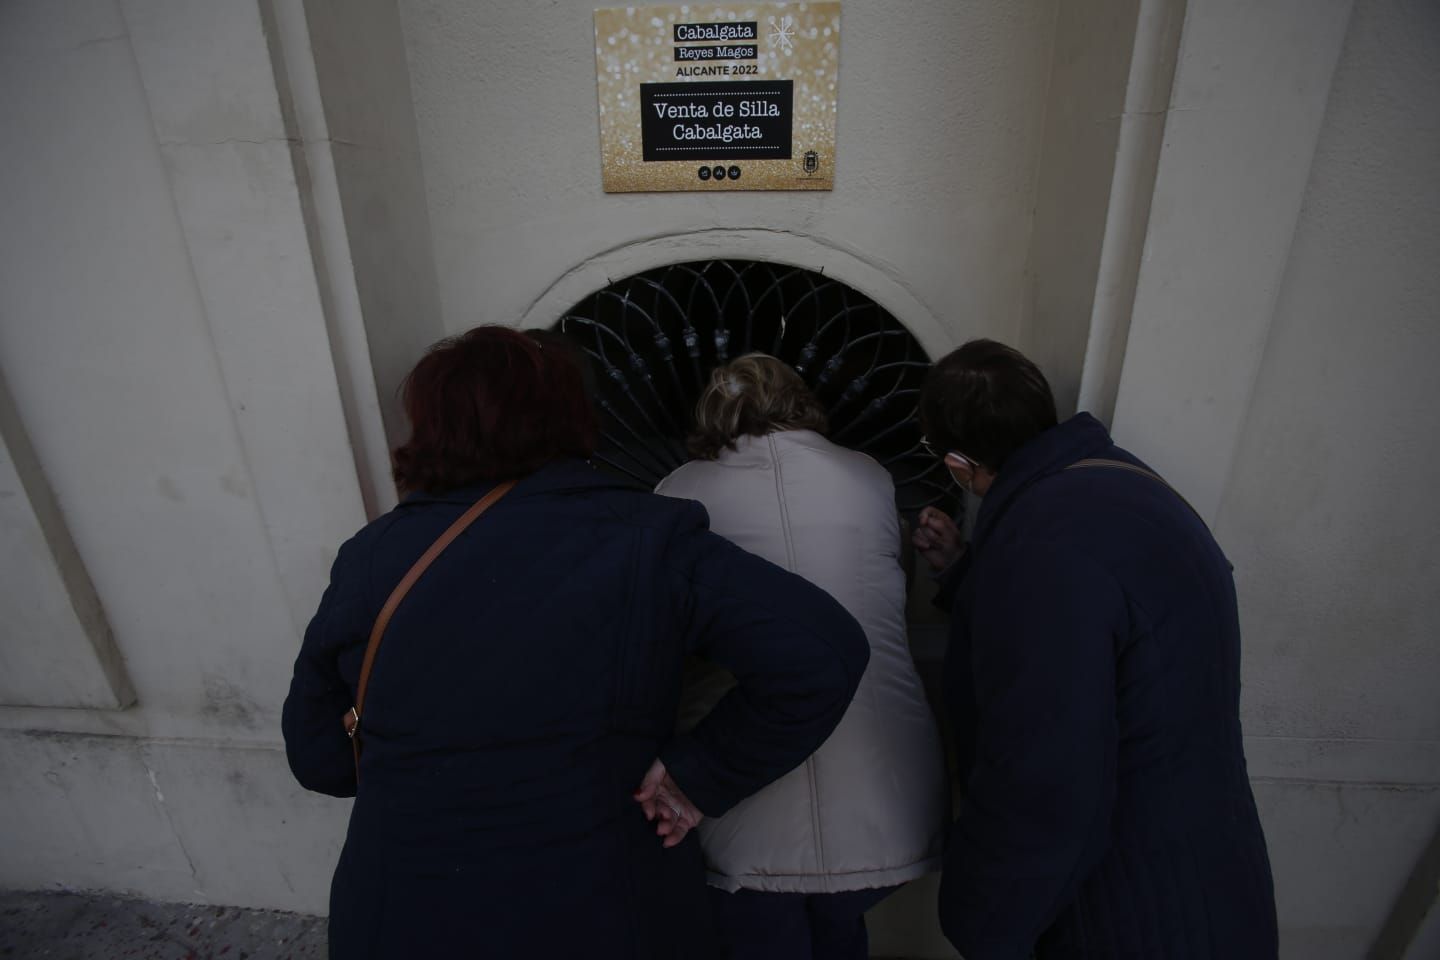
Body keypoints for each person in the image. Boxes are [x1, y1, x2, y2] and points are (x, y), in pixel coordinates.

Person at [281, 327, 870, 960]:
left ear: (429, 426)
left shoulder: (373, 557)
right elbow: (822, 655)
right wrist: (697, 774)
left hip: (400, 912)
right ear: (572, 415)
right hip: (599, 908)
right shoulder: (644, 539)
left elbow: (319, 758)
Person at [912, 339, 1278, 960]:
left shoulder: (1039, 544)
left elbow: (1042, 773)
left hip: (1125, 910)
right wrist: (968, 573)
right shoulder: (1128, 487)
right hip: (1211, 875)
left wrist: (980, 920)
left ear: (956, 464)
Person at [655, 354, 949, 960]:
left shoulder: (679, 493)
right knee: (840, 931)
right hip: (888, 781)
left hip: (742, 786)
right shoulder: (870, 478)